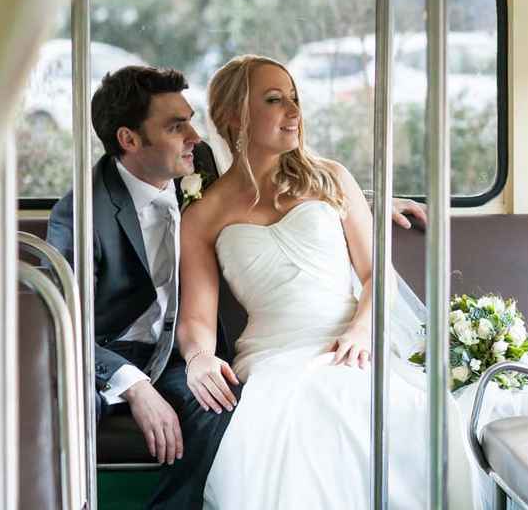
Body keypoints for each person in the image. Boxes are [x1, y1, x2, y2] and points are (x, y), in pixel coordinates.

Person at [185, 55, 528, 509]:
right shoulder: (203, 214)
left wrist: (362, 328)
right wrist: (200, 359)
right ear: (232, 115)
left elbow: (374, 274)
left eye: (295, 98)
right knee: (306, 406)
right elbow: (196, 317)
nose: (293, 110)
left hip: (354, 340)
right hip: (274, 354)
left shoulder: (331, 180)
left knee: (379, 404)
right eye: (274, 99)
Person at [47, 65, 428, 510]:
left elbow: (278, 184)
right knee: (65, 417)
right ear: (130, 140)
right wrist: (141, 383)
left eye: (190, 119)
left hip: (183, 351)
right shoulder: (82, 212)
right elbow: (66, 323)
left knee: (219, 408)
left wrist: (369, 202)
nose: (194, 134)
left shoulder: (197, 163)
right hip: (111, 353)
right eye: (176, 126)